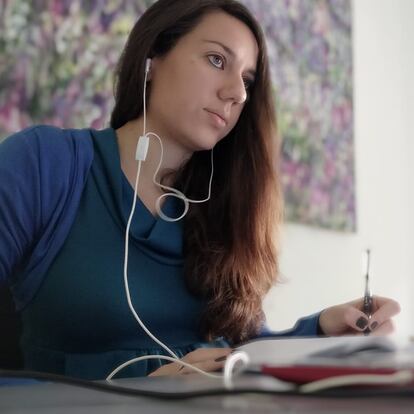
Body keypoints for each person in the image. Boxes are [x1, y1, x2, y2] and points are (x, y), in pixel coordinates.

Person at [0, 0, 400, 380]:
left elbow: (239, 351)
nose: (237, 93)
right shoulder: (44, 163)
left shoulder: (223, 206)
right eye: (217, 60)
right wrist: (141, 387)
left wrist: (323, 333)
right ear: (152, 59)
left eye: (247, 80)